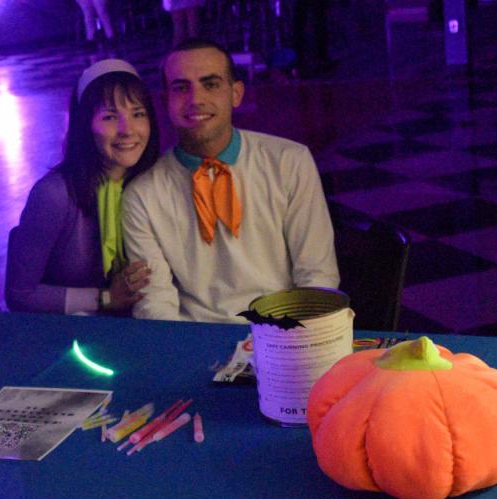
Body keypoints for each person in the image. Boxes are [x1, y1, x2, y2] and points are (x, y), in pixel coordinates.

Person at [123, 39, 339, 323]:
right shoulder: (142, 195)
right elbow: (155, 303)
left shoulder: (288, 162)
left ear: (236, 93)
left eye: (210, 84)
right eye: (180, 87)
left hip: (283, 332)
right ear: (165, 100)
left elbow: (316, 274)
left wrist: (295, 348)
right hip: (196, 339)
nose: (195, 99)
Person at [5, 60, 160, 314]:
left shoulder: (155, 182)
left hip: (138, 327)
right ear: (84, 125)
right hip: (70, 337)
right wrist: (105, 298)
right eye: (110, 116)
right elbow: (20, 295)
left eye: (138, 114)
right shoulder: (54, 195)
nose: (127, 129)